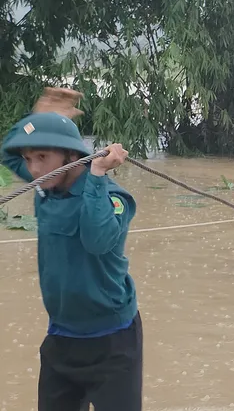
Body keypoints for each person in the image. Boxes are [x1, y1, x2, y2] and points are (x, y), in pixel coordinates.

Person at [1, 87, 142, 411]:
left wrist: (97, 173)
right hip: (62, 337)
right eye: (29, 159)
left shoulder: (114, 198)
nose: (34, 169)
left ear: (71, 155)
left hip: (113, 341)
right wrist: (38, 120)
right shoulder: (48, 184)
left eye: (42, 158)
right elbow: (8, 154)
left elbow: (97, 239)